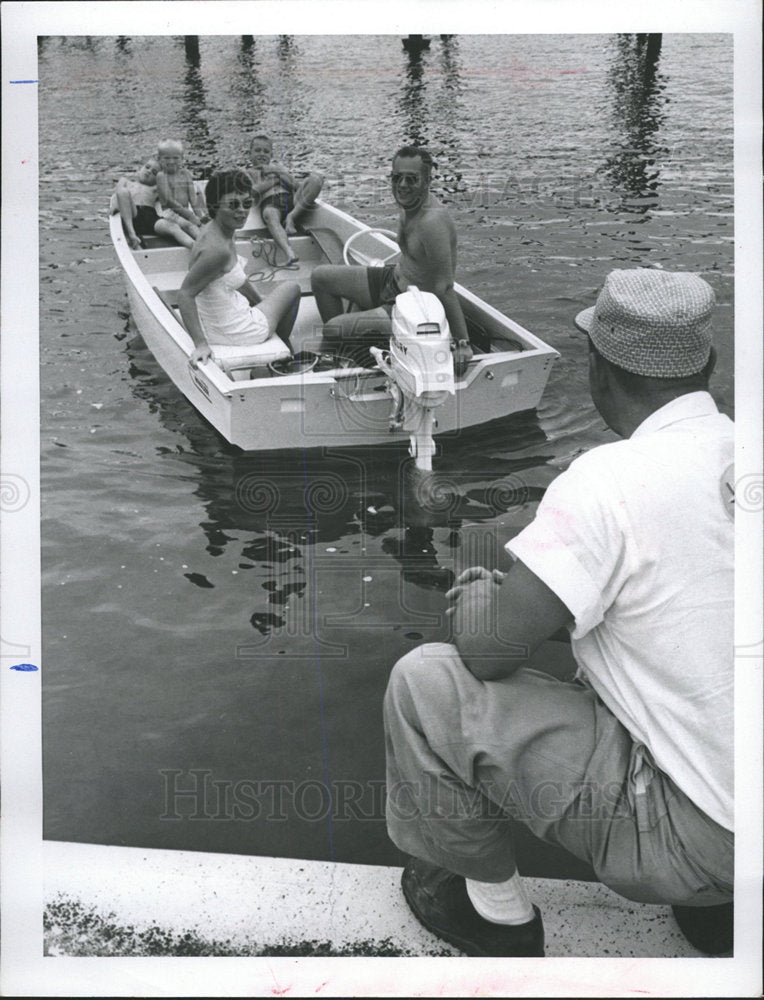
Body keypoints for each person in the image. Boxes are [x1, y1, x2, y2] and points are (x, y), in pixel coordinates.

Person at [383, 268, 734, 957]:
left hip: (699, 841)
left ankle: (495, 915)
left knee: (425, 684)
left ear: (599, 371)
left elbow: (487, 653)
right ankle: (726, 908)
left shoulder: (607, 481)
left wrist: (487, 598)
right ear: (709, 365)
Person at [310, 146, 473, 374]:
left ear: (427, 181)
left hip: (409, 306)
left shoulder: (432, 222)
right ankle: (349, 350)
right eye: (397, 177)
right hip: (392, 280)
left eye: (411, 179)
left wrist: (462, 342)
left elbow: (444, 287)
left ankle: (340, 349)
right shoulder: (409, 202)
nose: (402, 185)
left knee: (332, 328)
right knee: (321, 277)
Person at [176, 169, 301, 370]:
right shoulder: (218, 250)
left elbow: (236, 279)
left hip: (219, 321)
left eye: (247, 203)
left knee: (268, 301)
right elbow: (184, 294)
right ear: (216, 206)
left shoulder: (215, 229)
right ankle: (283, 349)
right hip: (235, 331)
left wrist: (262, 304)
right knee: (292, 288)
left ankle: (274, 335)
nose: (242, 211)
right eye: (233, 204)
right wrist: (200, 344)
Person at [247, 133, 324, 264]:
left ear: (271, 155)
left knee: (316, 179)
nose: (262, 154)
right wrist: (275, 180)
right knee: (269, 214)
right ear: (250, 154)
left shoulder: (278, 169)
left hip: (290, 199)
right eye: (257, 150)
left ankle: (291, 218)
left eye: (266, 151)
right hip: (271, 204)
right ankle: (289, 252)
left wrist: (276, 171)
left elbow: (296, 186)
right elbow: (253, 192)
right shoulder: (248, 173)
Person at [155, 138, 208, 248]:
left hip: (185, 212)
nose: (171, 161)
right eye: (166, 158)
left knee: (202, 225)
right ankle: (204, 247)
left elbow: (193, 199)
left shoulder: (186, 174)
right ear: (159, 159)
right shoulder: (161, 176)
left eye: (175, 158)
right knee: (189, 225)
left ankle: (209, 243)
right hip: (169, 213)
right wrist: (190, 216)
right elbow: (169, 201)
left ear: (182, 158)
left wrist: (200, 217)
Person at [114, 156, 162, 250]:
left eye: (154, 172)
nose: (149, 171)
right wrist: (115, 205)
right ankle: (132, 234)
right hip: (132, 212)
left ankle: (133, 239)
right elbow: (117, 194)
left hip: (147, 216)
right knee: (123, 192)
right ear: (140, 169)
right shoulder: (125, 181)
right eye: (147, 167)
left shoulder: (155, 188)